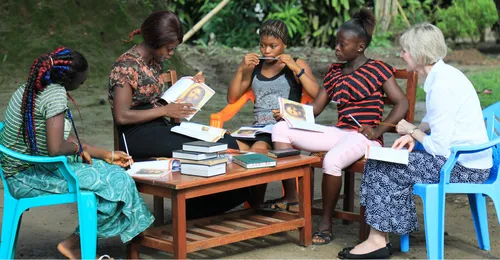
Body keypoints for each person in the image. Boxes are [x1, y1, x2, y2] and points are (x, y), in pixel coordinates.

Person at [337, 23, 492, 259]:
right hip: (461, 160)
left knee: (383, 166)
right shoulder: (441, 76)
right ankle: (382, 235)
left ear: (419, 54)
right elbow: (434, 118)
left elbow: (439, 149)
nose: (401, 55)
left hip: (463, 168)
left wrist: (412, 130)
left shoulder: (442, 85)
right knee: (380, 161)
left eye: (405, 50)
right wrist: (414, 133)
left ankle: (378, 240)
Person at [270, 9, 409, 245]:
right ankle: (292, 198)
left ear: (360, 46)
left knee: (331, 160)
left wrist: (378, 130)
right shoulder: (335, 72)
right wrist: (288, 113)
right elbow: (315, 110)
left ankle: (325, 223)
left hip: (364, 137)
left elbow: (402, 102)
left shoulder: (378, 69)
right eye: (336, 43)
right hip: (339, 133)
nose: (336, 48)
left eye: (342, 44)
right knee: (280, 130)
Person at [0, 47, 154, 259]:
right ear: (69, 79)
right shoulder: (55, 96)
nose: (81, 86)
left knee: (112, 177)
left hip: (31, 164)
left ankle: (80, 242)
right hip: (26, 175)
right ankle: (85, 242)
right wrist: (78, 148)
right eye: (81, 82)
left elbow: (60, 142)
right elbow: (56, 148)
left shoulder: (34, 86)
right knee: (119, 181)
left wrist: (106, 154)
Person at [108, 10, 252, 219]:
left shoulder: (154, 60)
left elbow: (154, 98)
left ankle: (199, 205)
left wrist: (187, 87)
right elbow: (121, 116)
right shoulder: (125, 67)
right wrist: (165, 111)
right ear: (157, 41)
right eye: (170, 48)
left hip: (159, 127)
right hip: (135, 135)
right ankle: (194, 209)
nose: (171, 53)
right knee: (214, 148)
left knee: (225, 139)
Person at [227, 19, 319, 151]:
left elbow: (317, 94)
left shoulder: (297, 63)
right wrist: (241, 69)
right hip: (258, 130)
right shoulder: (255, 66)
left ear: (285, 44)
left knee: (257, 150)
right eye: (262, 45)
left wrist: (297, 69)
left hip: (283, 128)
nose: (266, 51)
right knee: (227, 148)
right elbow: (232, 98)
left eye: (272, 46)